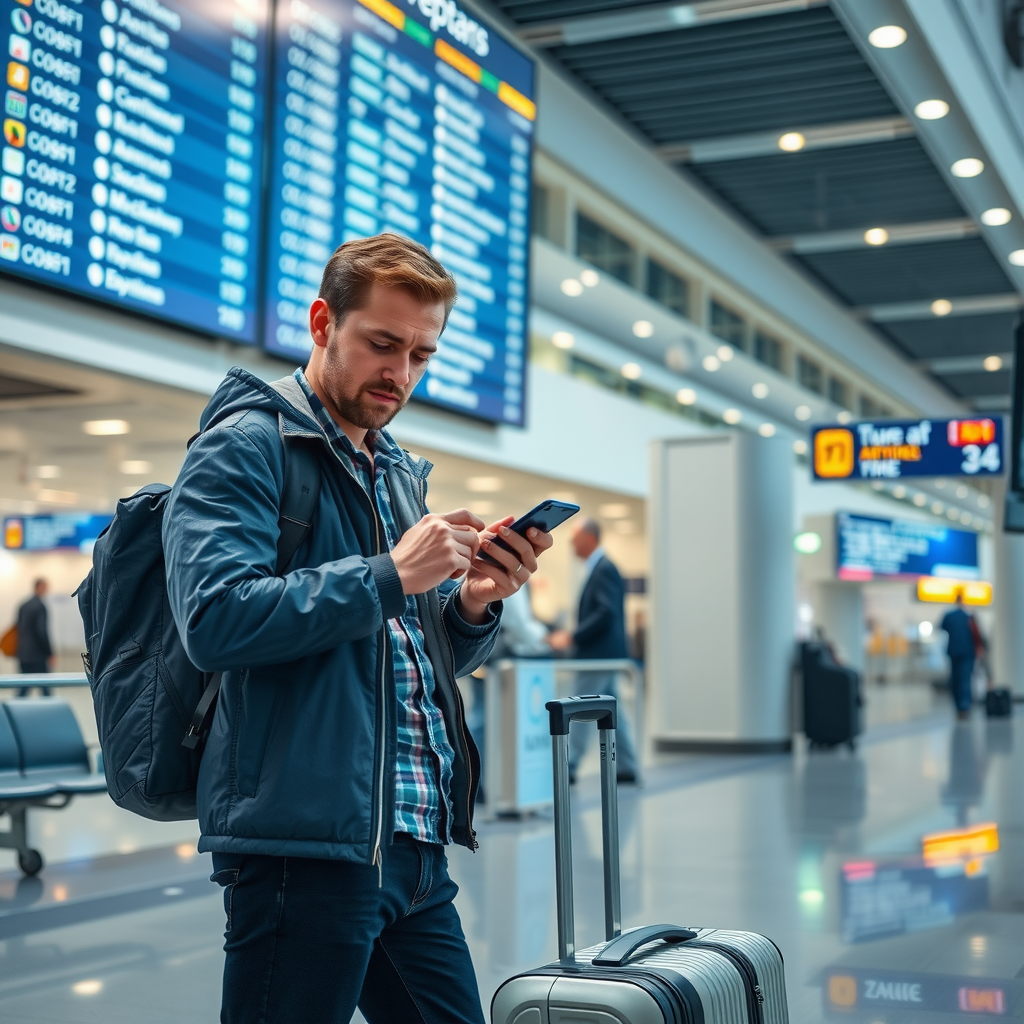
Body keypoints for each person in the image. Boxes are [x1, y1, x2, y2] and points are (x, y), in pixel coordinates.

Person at [163, 233, 553, 1024]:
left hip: (410, 842)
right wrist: (391, 573)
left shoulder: (396, 472)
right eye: (382, 344)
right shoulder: (244, 447)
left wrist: (473, 605)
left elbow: (411, 652)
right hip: (304, 847)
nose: (400, 374)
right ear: (321, 323)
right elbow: (215, 619)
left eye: (420, 354)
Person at [550, 518, 638, 783]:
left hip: (598, 655)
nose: (571, 545)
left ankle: (572, 765)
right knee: (614, 710)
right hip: (605, 654)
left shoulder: (603, 568)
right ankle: (627, 765)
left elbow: (605, 612)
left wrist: (573, 636)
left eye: (574, 539)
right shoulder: (600, 567)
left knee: (577, 708)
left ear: (588, 538)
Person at [940, 594, 976, 720]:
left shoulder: (949, 616)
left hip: (954, 652)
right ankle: (964, 707)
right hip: (968, 653)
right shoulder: (969, 616)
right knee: (965, 680)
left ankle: (958, 707)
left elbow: (941, 628)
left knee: (955, 680)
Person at [16, 578, 53, 697]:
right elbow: (41, 631)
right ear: (39, 587)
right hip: (38, 655)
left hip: (23, 653)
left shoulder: (23, 605)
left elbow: (18, 629)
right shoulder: (40, 606)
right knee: (45, 688)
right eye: (45, 587)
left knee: (23, 687)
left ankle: (12, 712)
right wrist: (49, 653)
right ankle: (51, 713)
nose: (47, 590)